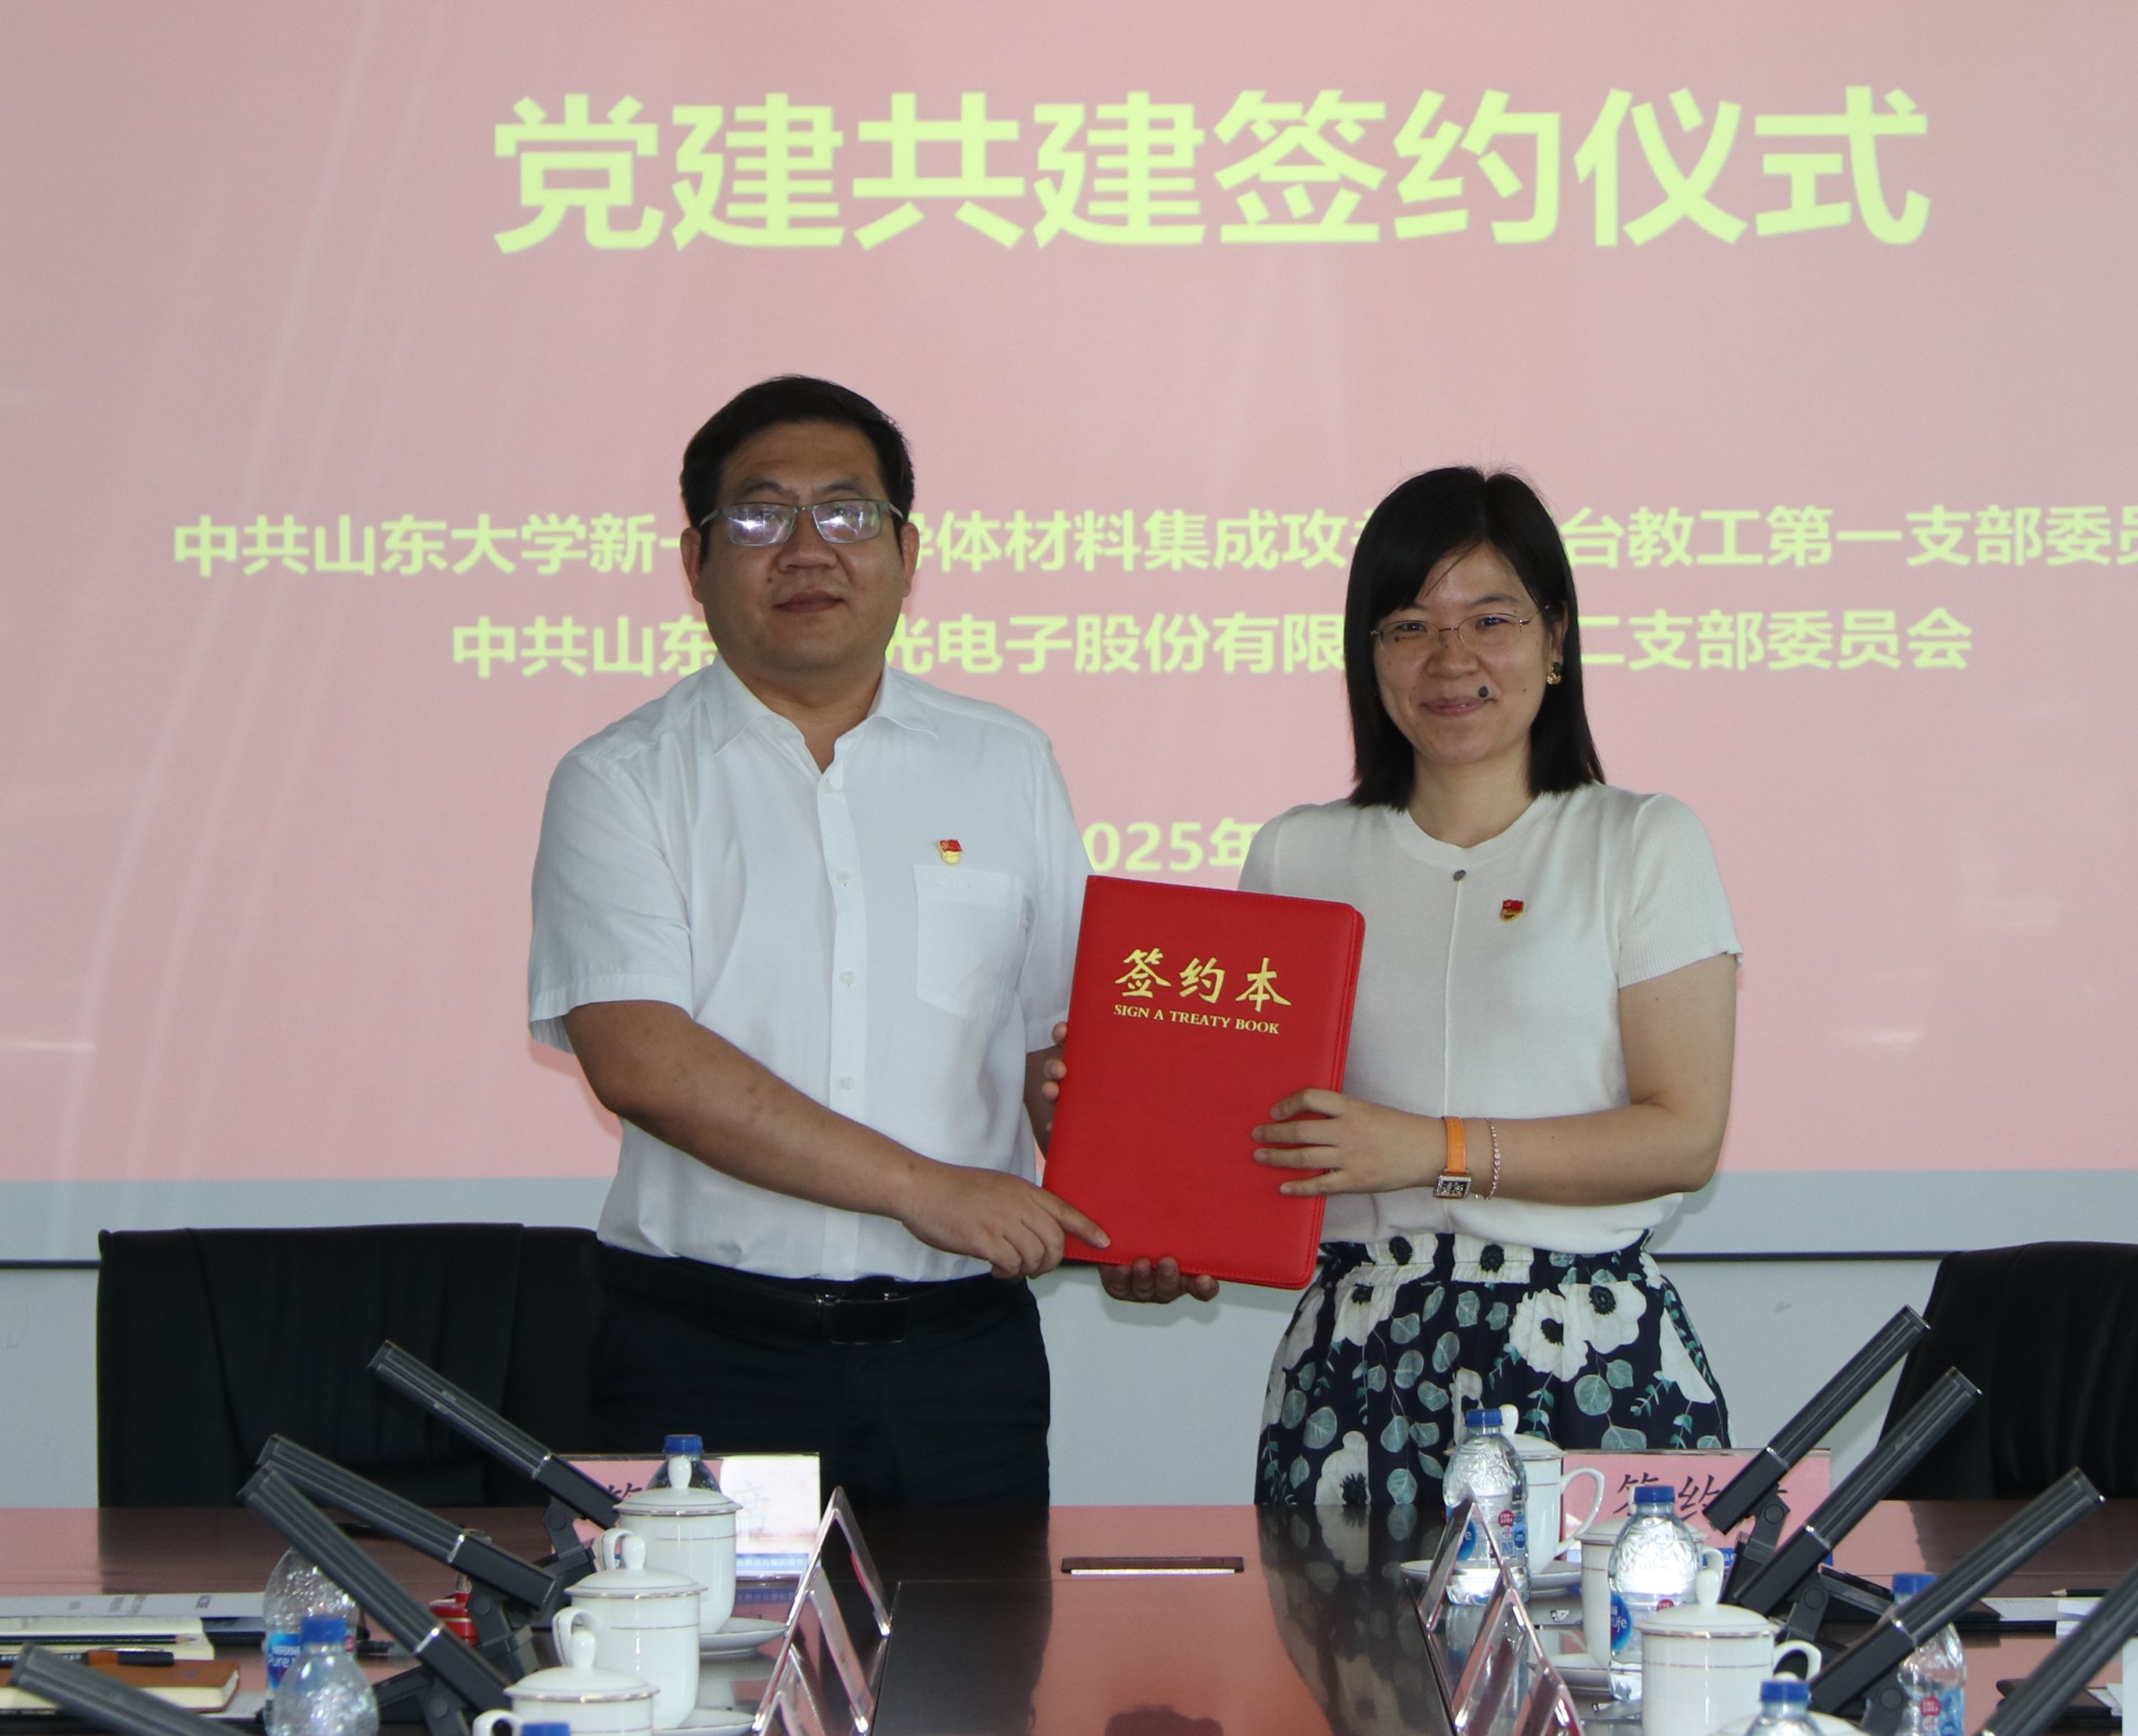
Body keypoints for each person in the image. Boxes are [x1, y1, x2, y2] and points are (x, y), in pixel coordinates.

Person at [526, 374, 1109, 1508]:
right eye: (760, 515)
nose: (807, 548)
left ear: (906, 552)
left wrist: (1131, 1214)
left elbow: (1061, 1051)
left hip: (959, 1361)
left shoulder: (1007, 762)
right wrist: (921, 1187)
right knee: (701, 1634)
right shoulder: (621, 779)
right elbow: (640, 1057)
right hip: (704, 1348)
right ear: (694, 562)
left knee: (977, 1634)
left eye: (848, 512)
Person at [1229, 465, 1742, 1515]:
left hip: (1587, 1349)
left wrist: (1433, 1149)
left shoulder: (1641, 840)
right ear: (1368, 653)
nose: (1450, 658)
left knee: (1601, 1630)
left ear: (1556, 638)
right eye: (1410, 626)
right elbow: (1255, 1124)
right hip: (1357, 1358)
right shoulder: (1297, 854)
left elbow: (1682, 1137)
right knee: (1345, 1630)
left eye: (1490, 619)